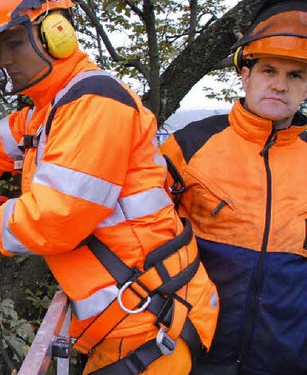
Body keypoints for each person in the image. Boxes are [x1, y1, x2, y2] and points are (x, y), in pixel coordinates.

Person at [0, 0, 218, 373]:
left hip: (152, 323)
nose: (4, 61)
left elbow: (50, 222)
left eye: (13, 44)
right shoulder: (46, 110)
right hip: (126, 319)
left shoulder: (96, 104)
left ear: (55, 33)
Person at [159, 1, 307, 374]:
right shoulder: (189, 145)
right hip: (196, 350)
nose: (279, 84)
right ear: (245, 73)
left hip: (286, 358)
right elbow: (137, 228)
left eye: (296, 75)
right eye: (269, 70)